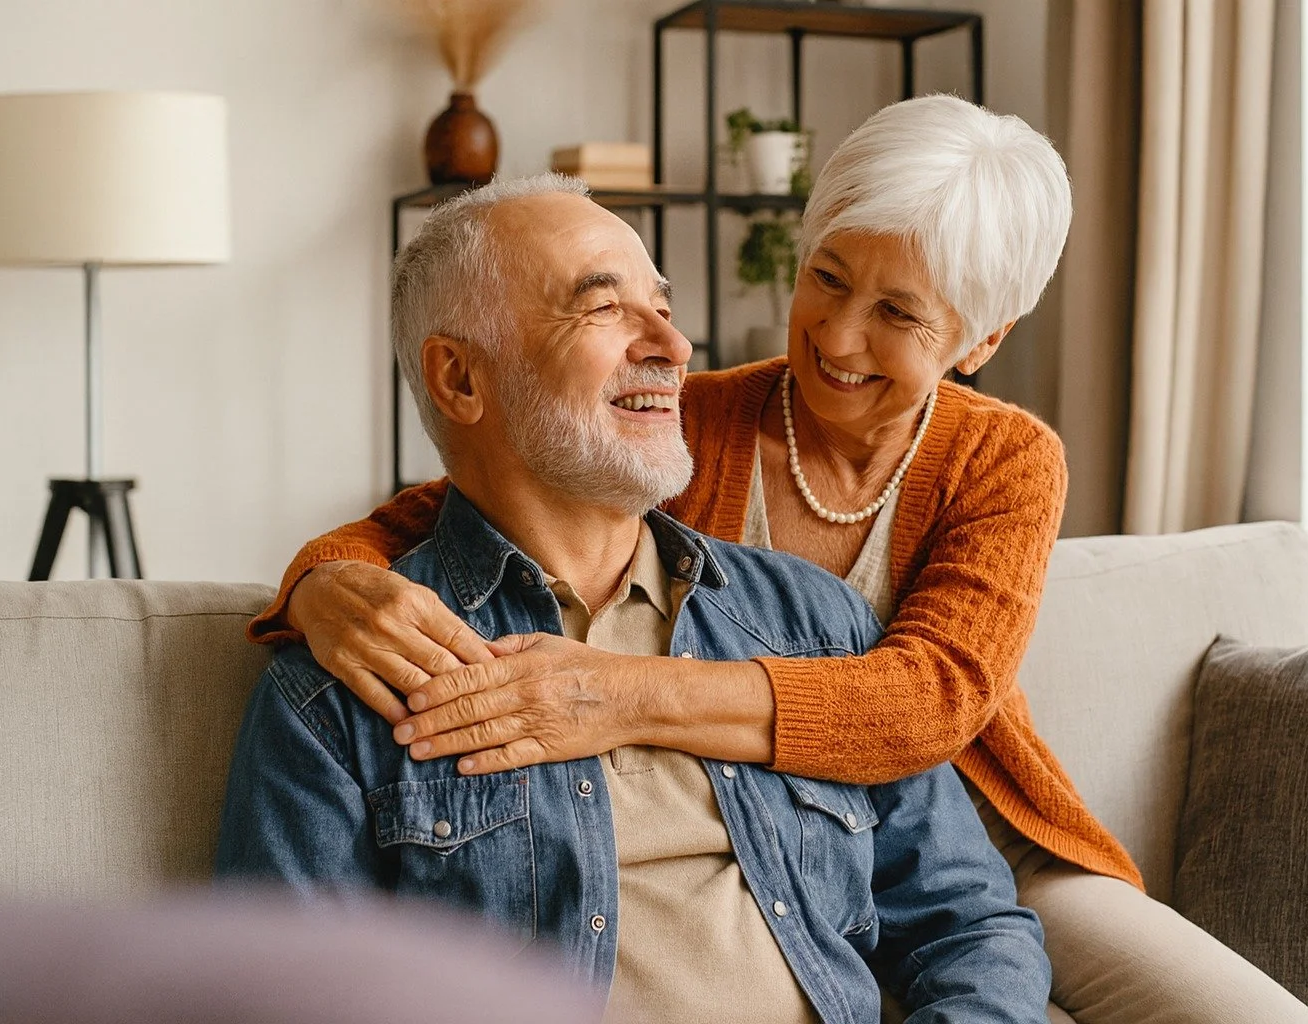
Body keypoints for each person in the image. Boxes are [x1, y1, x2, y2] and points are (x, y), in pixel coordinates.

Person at [250, 97, 1308, 1023]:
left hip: (981, 826)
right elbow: (468, 489)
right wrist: (321, 583)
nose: (838, 336)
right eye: (828, 277)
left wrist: (615, 694)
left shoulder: (993, 467)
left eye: (899, 313)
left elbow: (925, 712)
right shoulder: (687, 418)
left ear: (977, 340)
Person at [216, 174, 1052, 1024]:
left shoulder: (817, 620)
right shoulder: (344, 687)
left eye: (664, 303)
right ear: (461, 379)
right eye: (603, 306)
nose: (676, 345)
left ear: (980, 339)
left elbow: (971, 926)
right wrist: (321, 583)